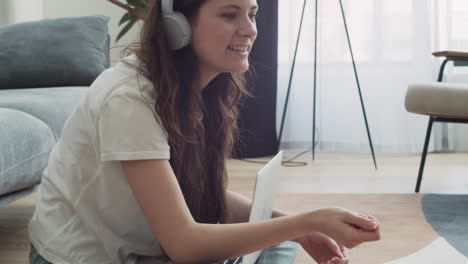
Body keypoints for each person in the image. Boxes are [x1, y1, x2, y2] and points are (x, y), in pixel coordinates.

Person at [28, 0, 381, 263]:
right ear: (177, 25)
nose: (250, 29)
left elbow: (193, 193)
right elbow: (184, 245)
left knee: (279, 241)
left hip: (145, 247)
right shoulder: (128, 100)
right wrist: (310, 220)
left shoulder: (199, 89)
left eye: (252, 13)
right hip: (83, 258)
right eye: (230, 14)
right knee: (267, 243)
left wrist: (303, 229)